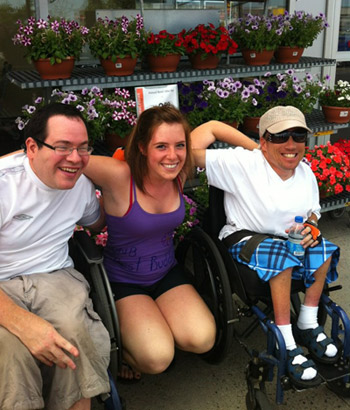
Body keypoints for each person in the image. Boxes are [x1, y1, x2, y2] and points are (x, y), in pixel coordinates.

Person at [83, 103, 257, 381]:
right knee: (157, 358)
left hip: (166, 273)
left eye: (180, 145)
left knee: (203, 340)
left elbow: (213, 127)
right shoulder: (118, 175)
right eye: (161, 146)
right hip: (123, 281)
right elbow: (61, 155)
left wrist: (259, 152)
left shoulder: (179, 168)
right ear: (142, 147)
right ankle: (124, 354)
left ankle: (152, 326)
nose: (172, 155)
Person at [191, 106, 340, 390]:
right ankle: (286, 338)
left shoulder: (305, 173)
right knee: (281, 256)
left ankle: (308, 323)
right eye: (280, 136)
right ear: (264, 141)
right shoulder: (241, 163)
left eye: (298, 136)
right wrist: (251, 146)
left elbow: (314, 212)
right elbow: (198, 139)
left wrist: (312, 227)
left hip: (288, 240)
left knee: (325, 248)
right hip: (244, 237)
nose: (291, 144)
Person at [0, 103, 110, 410]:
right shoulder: (4, 183)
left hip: (54, 274)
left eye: (83, 148)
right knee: (10, 348)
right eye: (63, 147)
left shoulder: (82, 186)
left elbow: (97, 223)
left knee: (74, 331)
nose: (75, 159)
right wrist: (24, 324)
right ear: (32, 147)